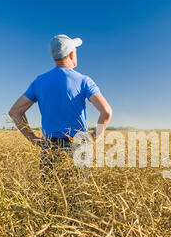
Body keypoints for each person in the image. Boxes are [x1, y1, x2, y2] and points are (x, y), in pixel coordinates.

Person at [9, 34, 112, 178]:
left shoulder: (39, 82)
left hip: (49, 147)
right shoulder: (84, 81)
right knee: (80, 194)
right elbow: (106, 112)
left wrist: (32, 138)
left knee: (49, 195)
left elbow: (15, 112)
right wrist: (94, 136)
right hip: (78, 145)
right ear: (71, 53)